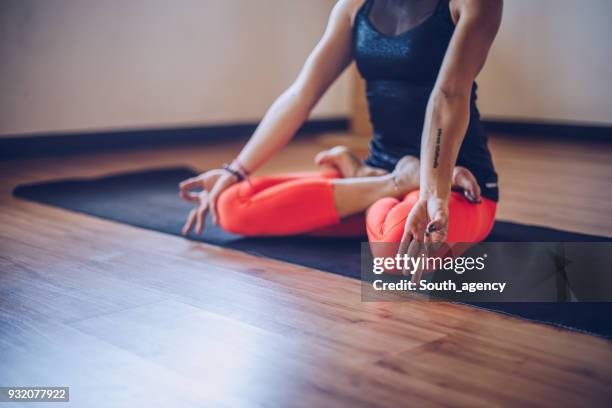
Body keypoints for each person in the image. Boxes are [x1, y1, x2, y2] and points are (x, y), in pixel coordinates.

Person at [179, 0, 502, 258]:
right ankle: (392, 185)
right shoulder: (354, 6)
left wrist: (434, 189)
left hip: (456, 183)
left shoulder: (473, 3)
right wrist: (235, 171)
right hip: (377, 173)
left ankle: (382, 192)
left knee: (397, 251)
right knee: (231, 205)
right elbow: (301, 94)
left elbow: (448, 94)